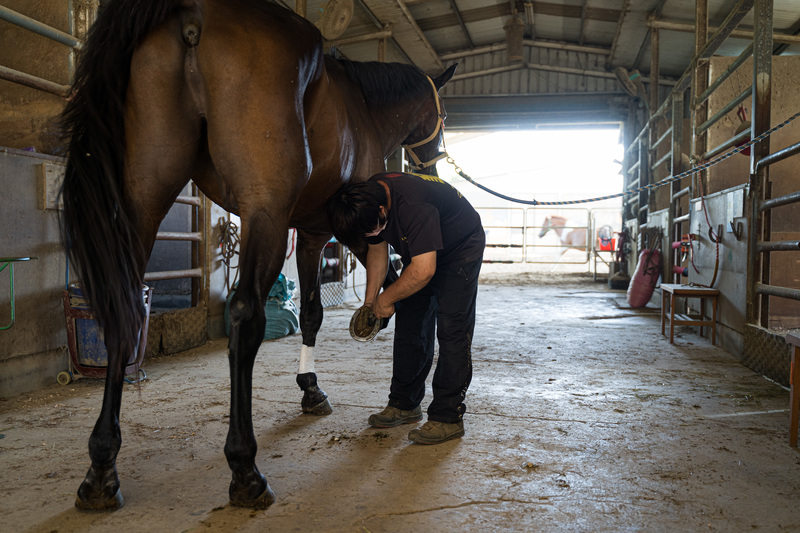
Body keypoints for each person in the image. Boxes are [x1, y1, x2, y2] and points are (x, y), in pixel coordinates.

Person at [326, 171, 485, 444]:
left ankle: (447, 417)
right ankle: (405, 403)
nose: (372, 234)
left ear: (382, 209)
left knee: (452, 330)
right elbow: (377, 249)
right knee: (412, 322)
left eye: (373, 228)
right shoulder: (370, 198)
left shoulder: (413, 206)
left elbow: (424, 270)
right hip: (423, 249)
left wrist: (387, 299)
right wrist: (369, 302)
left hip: (459, 248)